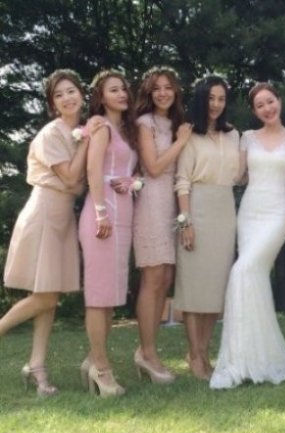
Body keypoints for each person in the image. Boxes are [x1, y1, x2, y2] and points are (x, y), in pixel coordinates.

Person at [1, 69, 90, 395]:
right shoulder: (51, 133)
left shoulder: (80, 131)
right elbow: (70, 178)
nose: (67, 98)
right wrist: (86, 143)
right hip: (44, 213)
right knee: (45, 296)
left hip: (63, 216)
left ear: (81, 94)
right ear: (53, 104)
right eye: (59, 95)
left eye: (71, 91)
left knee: (49, 296)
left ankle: (37, 366)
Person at [210, 82, 285, 389]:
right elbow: (237, 175)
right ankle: (245, 358)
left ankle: (261, 357)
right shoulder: (247, 137)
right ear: (254, 111)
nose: (267, 108)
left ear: (279, 100)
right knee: (253, 277)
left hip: (278, 212)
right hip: (250, 212)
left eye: (270, 101)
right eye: (260, 105)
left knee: (242, 270)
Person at [175, 75, 240, 380]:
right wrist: (186, 222)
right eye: (211, 98)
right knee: (194, 287)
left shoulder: (233, 134)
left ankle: (203, 351)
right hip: (197, 208)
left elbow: (240, 174)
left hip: (225, 210)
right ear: (201, 99)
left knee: (215, 288)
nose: (216, 104)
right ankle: (195, 355)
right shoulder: (189, 133)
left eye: (221, 99)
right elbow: (182, 181)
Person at [78, 70, 138, 397]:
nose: (121, 93)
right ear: (101, 97)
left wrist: (132, 181)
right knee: (99, 295)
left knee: (111, 295)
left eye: (123, 89)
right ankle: (102, 370)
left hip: (124, 214)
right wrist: (101, 211)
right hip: (103, 216)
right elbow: (93, 169)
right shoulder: (100, 125)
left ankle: (92, 359)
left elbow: (129, 171)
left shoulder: (125, 130)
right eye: (113, 90)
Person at [132, 66, 192, 383]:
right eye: (156, 88)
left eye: (168, 87)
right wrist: (181, 142)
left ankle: (147, 350)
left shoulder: (178, 123)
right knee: (153, 278)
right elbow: (154, 167)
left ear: (176, 91)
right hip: (152, 201)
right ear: (149, 93)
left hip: (172, 203)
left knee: (165, 278)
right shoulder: (145, 123)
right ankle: (148, 352)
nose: (163, 93)